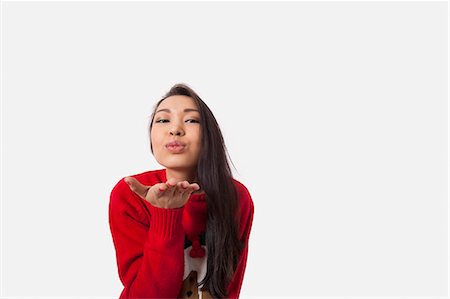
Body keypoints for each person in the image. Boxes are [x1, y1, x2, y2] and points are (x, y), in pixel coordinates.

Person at [108, 83, 255, 299]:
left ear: (209, 134)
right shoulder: (131, 194)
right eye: (163, 120)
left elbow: (228, 289)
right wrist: (166, 214)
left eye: (191, 120)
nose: (175, 129)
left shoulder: (235, 197)